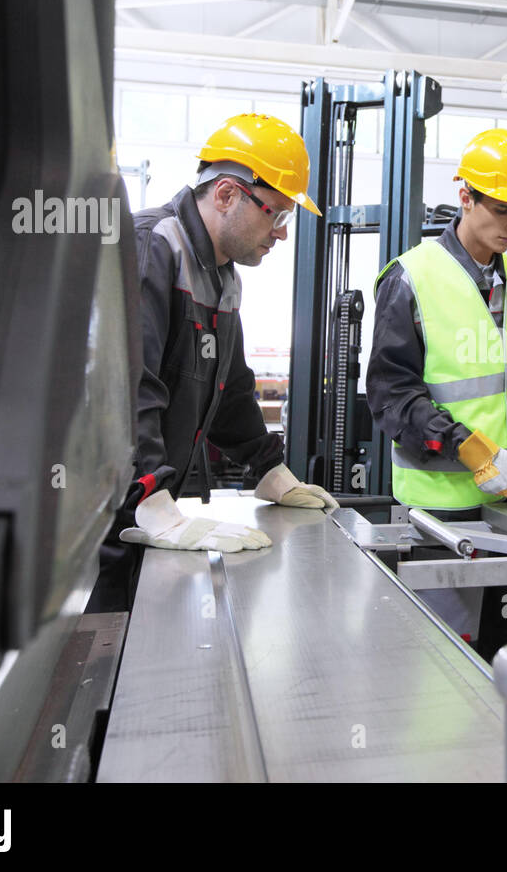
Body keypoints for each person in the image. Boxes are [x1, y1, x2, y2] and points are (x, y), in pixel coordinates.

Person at [88, 113, 336, 613]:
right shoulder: (150, 246)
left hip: (137, 510)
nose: (282, 234)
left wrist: (269, 470)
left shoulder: (222, 278)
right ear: (226, 194)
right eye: (276, 215)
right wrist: (150, 494)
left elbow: (233, 391)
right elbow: (124, 386)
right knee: (91, 655)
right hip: (93, 518)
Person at [366, 128, 507, 662]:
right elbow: (393, 395)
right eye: (503, 209)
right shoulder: (411, 277)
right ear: (466, 197)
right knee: (446, 671)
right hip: (445, 512)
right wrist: (473, 451)